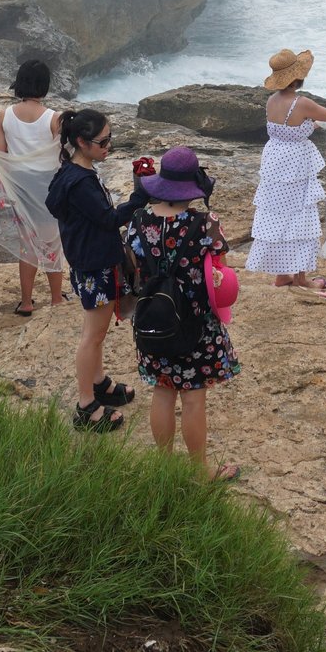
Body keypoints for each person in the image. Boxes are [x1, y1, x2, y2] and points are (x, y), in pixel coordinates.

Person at [125, 146, 241, 480]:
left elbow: (132, 266)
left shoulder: (138, 221)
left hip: (154, 319)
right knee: (193, 398)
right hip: (196, 325)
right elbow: (220, 268)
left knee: (162, 392)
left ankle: (164, 466)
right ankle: (199, 471)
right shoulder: (205, 224)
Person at [248, 48, 326, 291]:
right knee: (300, 217)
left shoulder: (272, 101)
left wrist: (312, 124)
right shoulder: (300, 102)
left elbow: (287, 130)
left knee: (278, 216)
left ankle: (282, 275)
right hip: (295, 165)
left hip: (274, 162)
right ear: (298, 77)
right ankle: (301, 279)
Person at [46, 109, 136, 432]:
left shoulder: (71, 172)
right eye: (103, 141)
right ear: (82, 142)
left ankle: (98, 383)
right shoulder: (81, 183)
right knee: (92, 336)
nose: (108, 146)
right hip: (95, 266)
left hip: (89, 262)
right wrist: (138, 199)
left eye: (110, 139)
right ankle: (86, 406)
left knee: (96, 334)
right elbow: (109, 219)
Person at [0, 59, 67, 315]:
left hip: (20, 187)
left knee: (27, 244)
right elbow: (64, 156)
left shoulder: (5, 116)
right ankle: (56, 298)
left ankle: (26, 302)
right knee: (52, 243)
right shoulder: (54, 118)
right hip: (47, 187)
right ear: (45, 85)